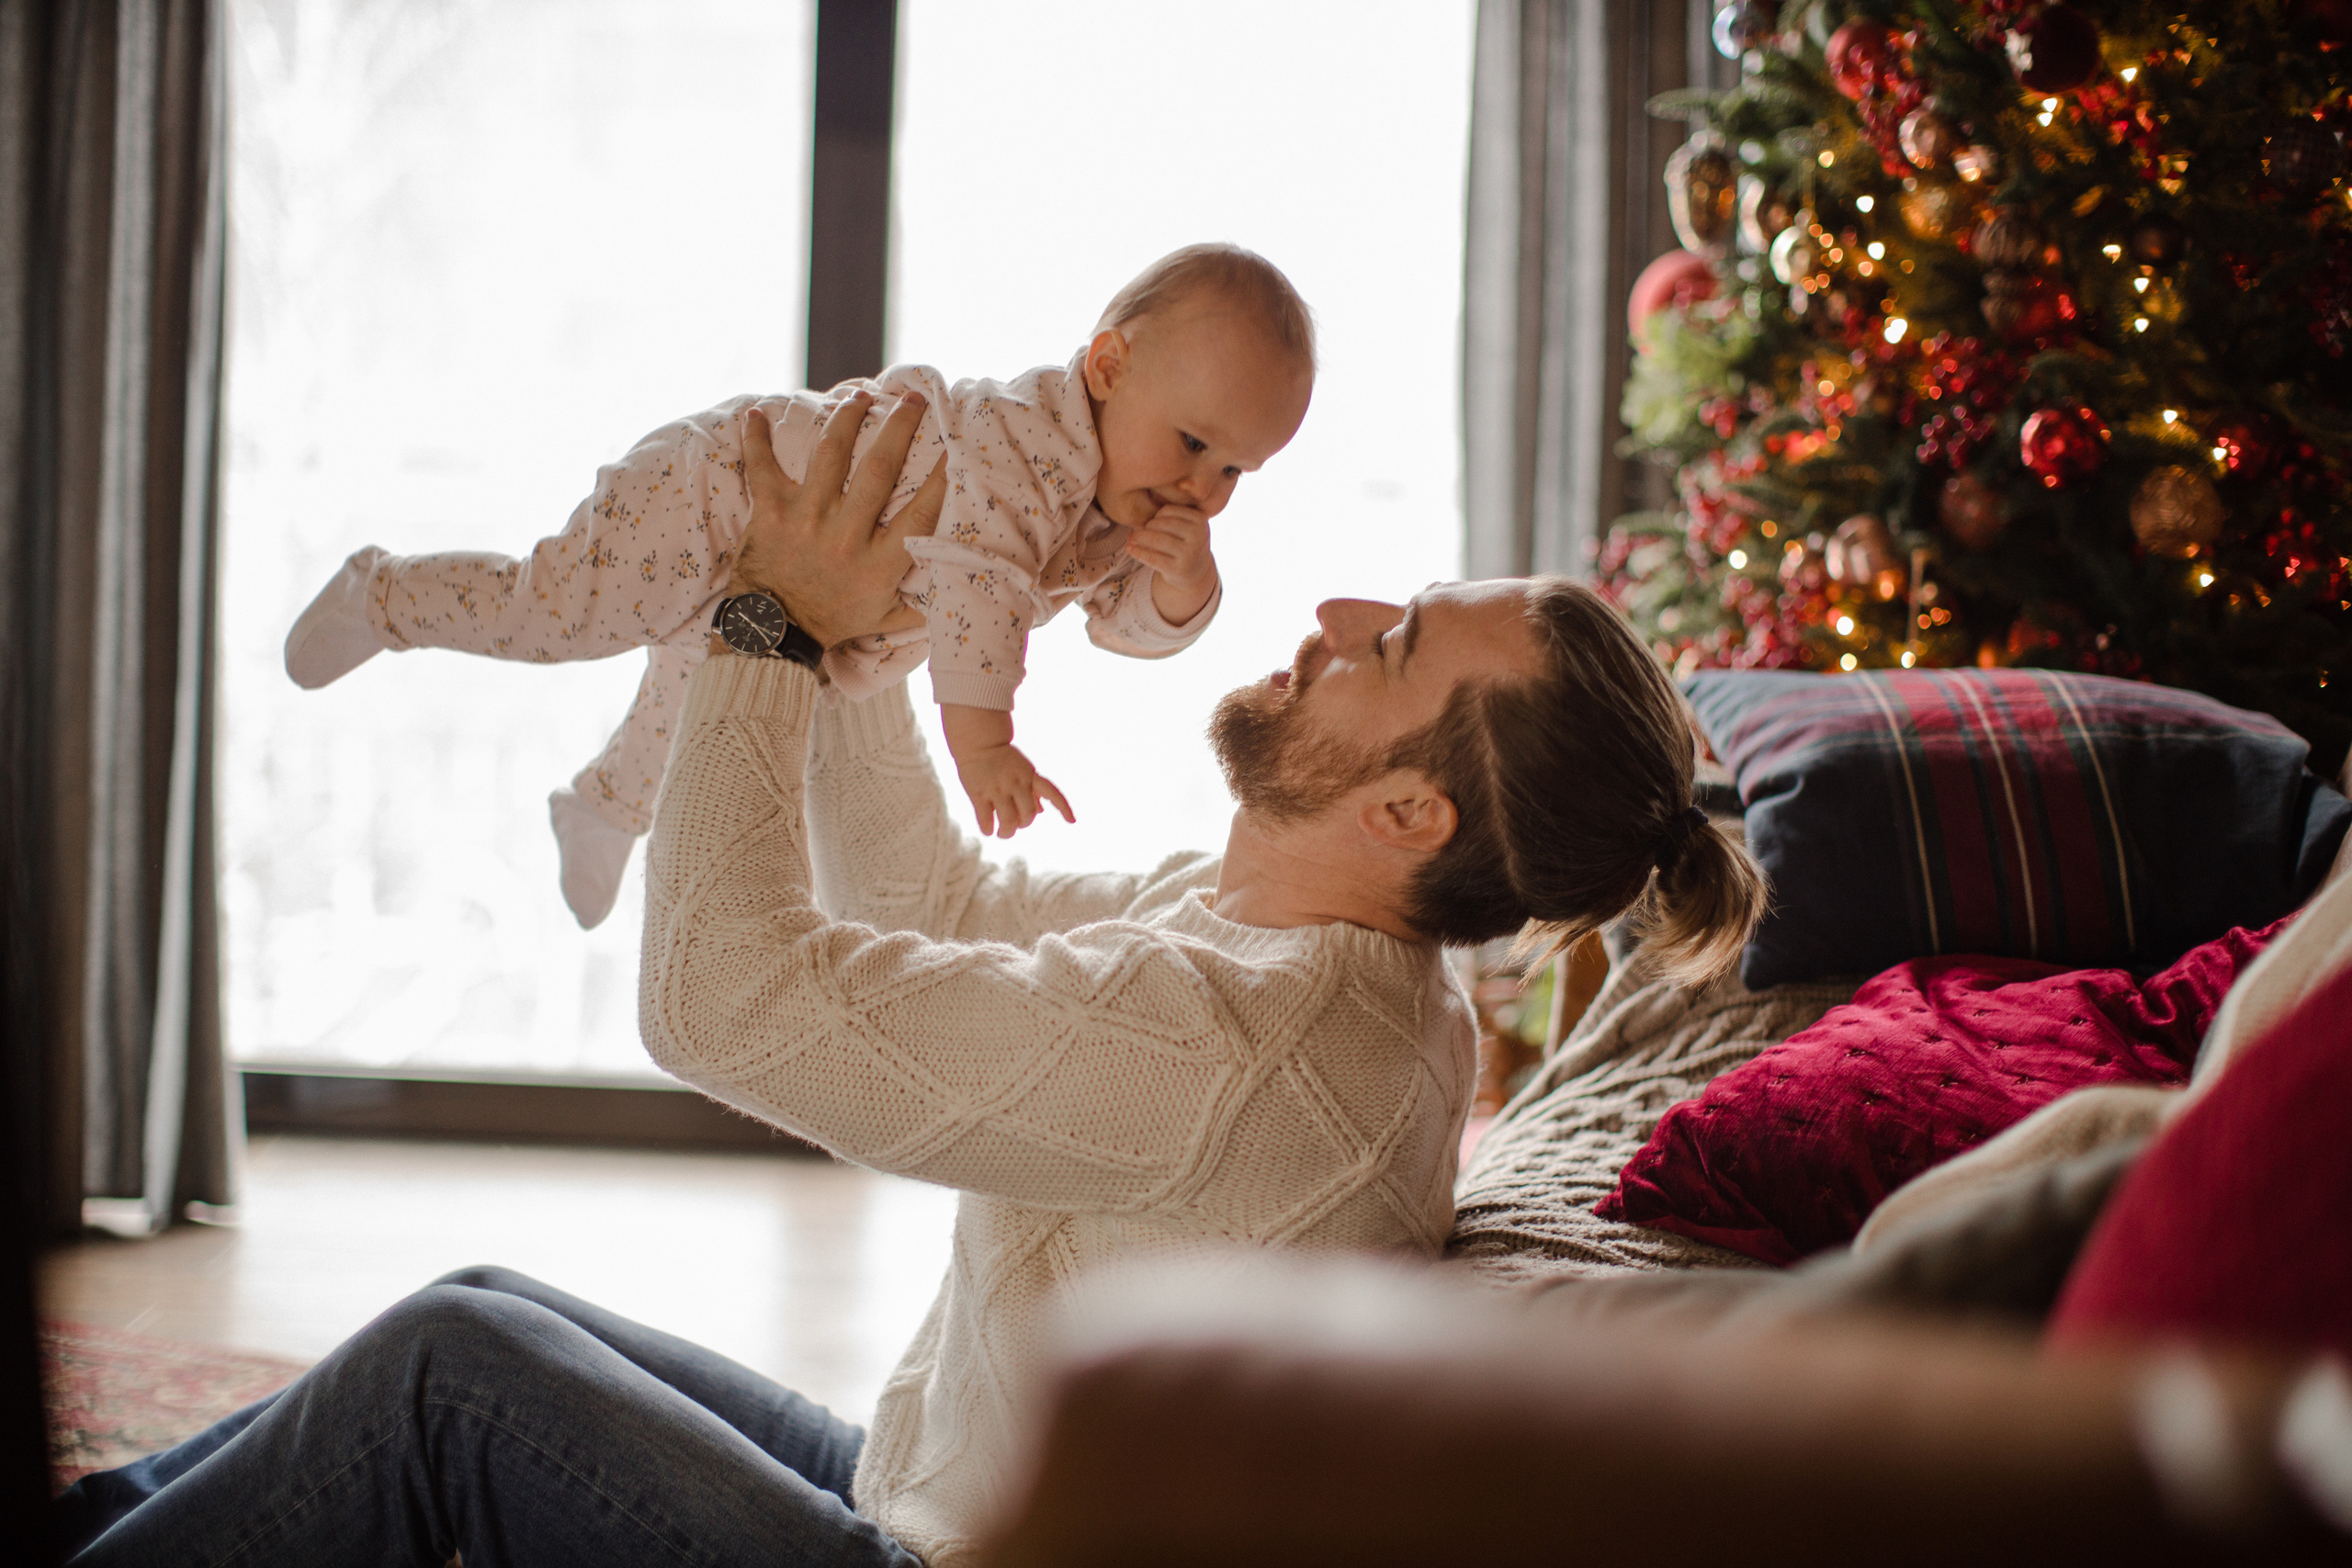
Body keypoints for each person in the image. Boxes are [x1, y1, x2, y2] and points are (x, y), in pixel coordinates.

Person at [57, 389, 1766, 1567]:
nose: (1333, 606)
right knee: (504, 1295)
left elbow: (720, 999)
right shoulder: (1296, 944)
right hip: (928, 1494)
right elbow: (939, 896)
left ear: (1410, 809)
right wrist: (856, 628)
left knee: (452, 1366)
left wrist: (760, 634)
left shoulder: (1254, 1041)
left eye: (1391, 643)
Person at [281, 243, 1317, 928]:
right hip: (724, 490)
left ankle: (602, 806)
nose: (1203, 486)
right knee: (557, 615)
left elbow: (1120, 634)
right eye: (1192, 443)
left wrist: (1186, 588)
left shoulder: (1110, 511)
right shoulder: (1026, 445)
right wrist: (986, 747)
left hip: (800, 587)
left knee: (697, 694)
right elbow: (984, 591)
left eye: (1235, 470)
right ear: (1105, 366)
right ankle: (385, 597)